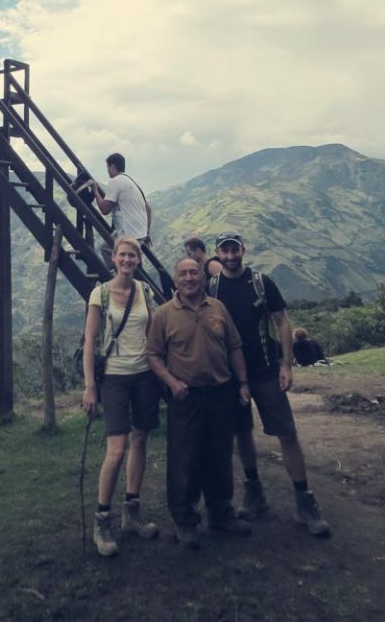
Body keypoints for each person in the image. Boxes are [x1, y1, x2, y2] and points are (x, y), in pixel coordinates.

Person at [208, 232, 330, 537]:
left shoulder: (261, 282)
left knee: (286, 432)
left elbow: (282, 322)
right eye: (225, 250)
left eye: (235, 250)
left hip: (265, 372)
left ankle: (305, 502)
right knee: (241, 433)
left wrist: (286, 364)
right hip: (231, 376)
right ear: (217, 253)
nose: (231, 255)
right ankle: (254, 494)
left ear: (243, 251)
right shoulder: (213, 287)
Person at [146, 257, 252, 547]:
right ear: (176, 279)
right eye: (183, 273)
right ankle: (185, 520)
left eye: (194, 272)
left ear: (202, 278)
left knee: (219, 455)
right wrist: (172, 382)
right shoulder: (165, 314)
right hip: (185, 396)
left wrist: (243, 384)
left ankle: (221, 514)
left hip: (221, 392)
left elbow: (234, 347)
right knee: (184, 459)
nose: (189, 278)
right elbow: (153, 354)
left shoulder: (218, 308)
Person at [82, 236, 161, 557]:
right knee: (116, 449)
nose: (127, 260)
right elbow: (89, 341)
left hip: (144, 375)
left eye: (132, 256)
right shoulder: (100, 293)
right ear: (113, 259)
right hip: (114, 378)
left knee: (140, 440)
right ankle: (102, 520)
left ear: (138, 260)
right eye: (122, 255)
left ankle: (131, 513)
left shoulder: (145, 292)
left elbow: (152, 333)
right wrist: (90, 386)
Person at [93, 153, 151, 268]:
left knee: (106, 249)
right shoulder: (131, 181)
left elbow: (105, 209)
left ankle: (119, 277)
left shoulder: (116, 181)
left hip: (128, 233)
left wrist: (95, 191)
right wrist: (147, 232)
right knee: (133, 262)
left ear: (113, 167)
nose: (107, 170)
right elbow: (148, 208)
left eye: (107, 167)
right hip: (140, 233)